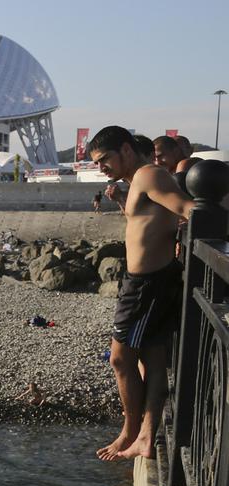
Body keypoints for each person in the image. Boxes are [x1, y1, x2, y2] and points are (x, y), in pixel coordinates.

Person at [87, 126, 194, 461]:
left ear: (126, 150)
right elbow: (150, 220)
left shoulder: (149, 175)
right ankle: (145, 438)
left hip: (147, 285)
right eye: (96, 162)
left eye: (104, 159)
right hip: (147, 281)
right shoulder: (137, 181)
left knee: (120, 359)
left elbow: (189, 209)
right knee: (152, 358)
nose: (101, 167)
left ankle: (129, 433)